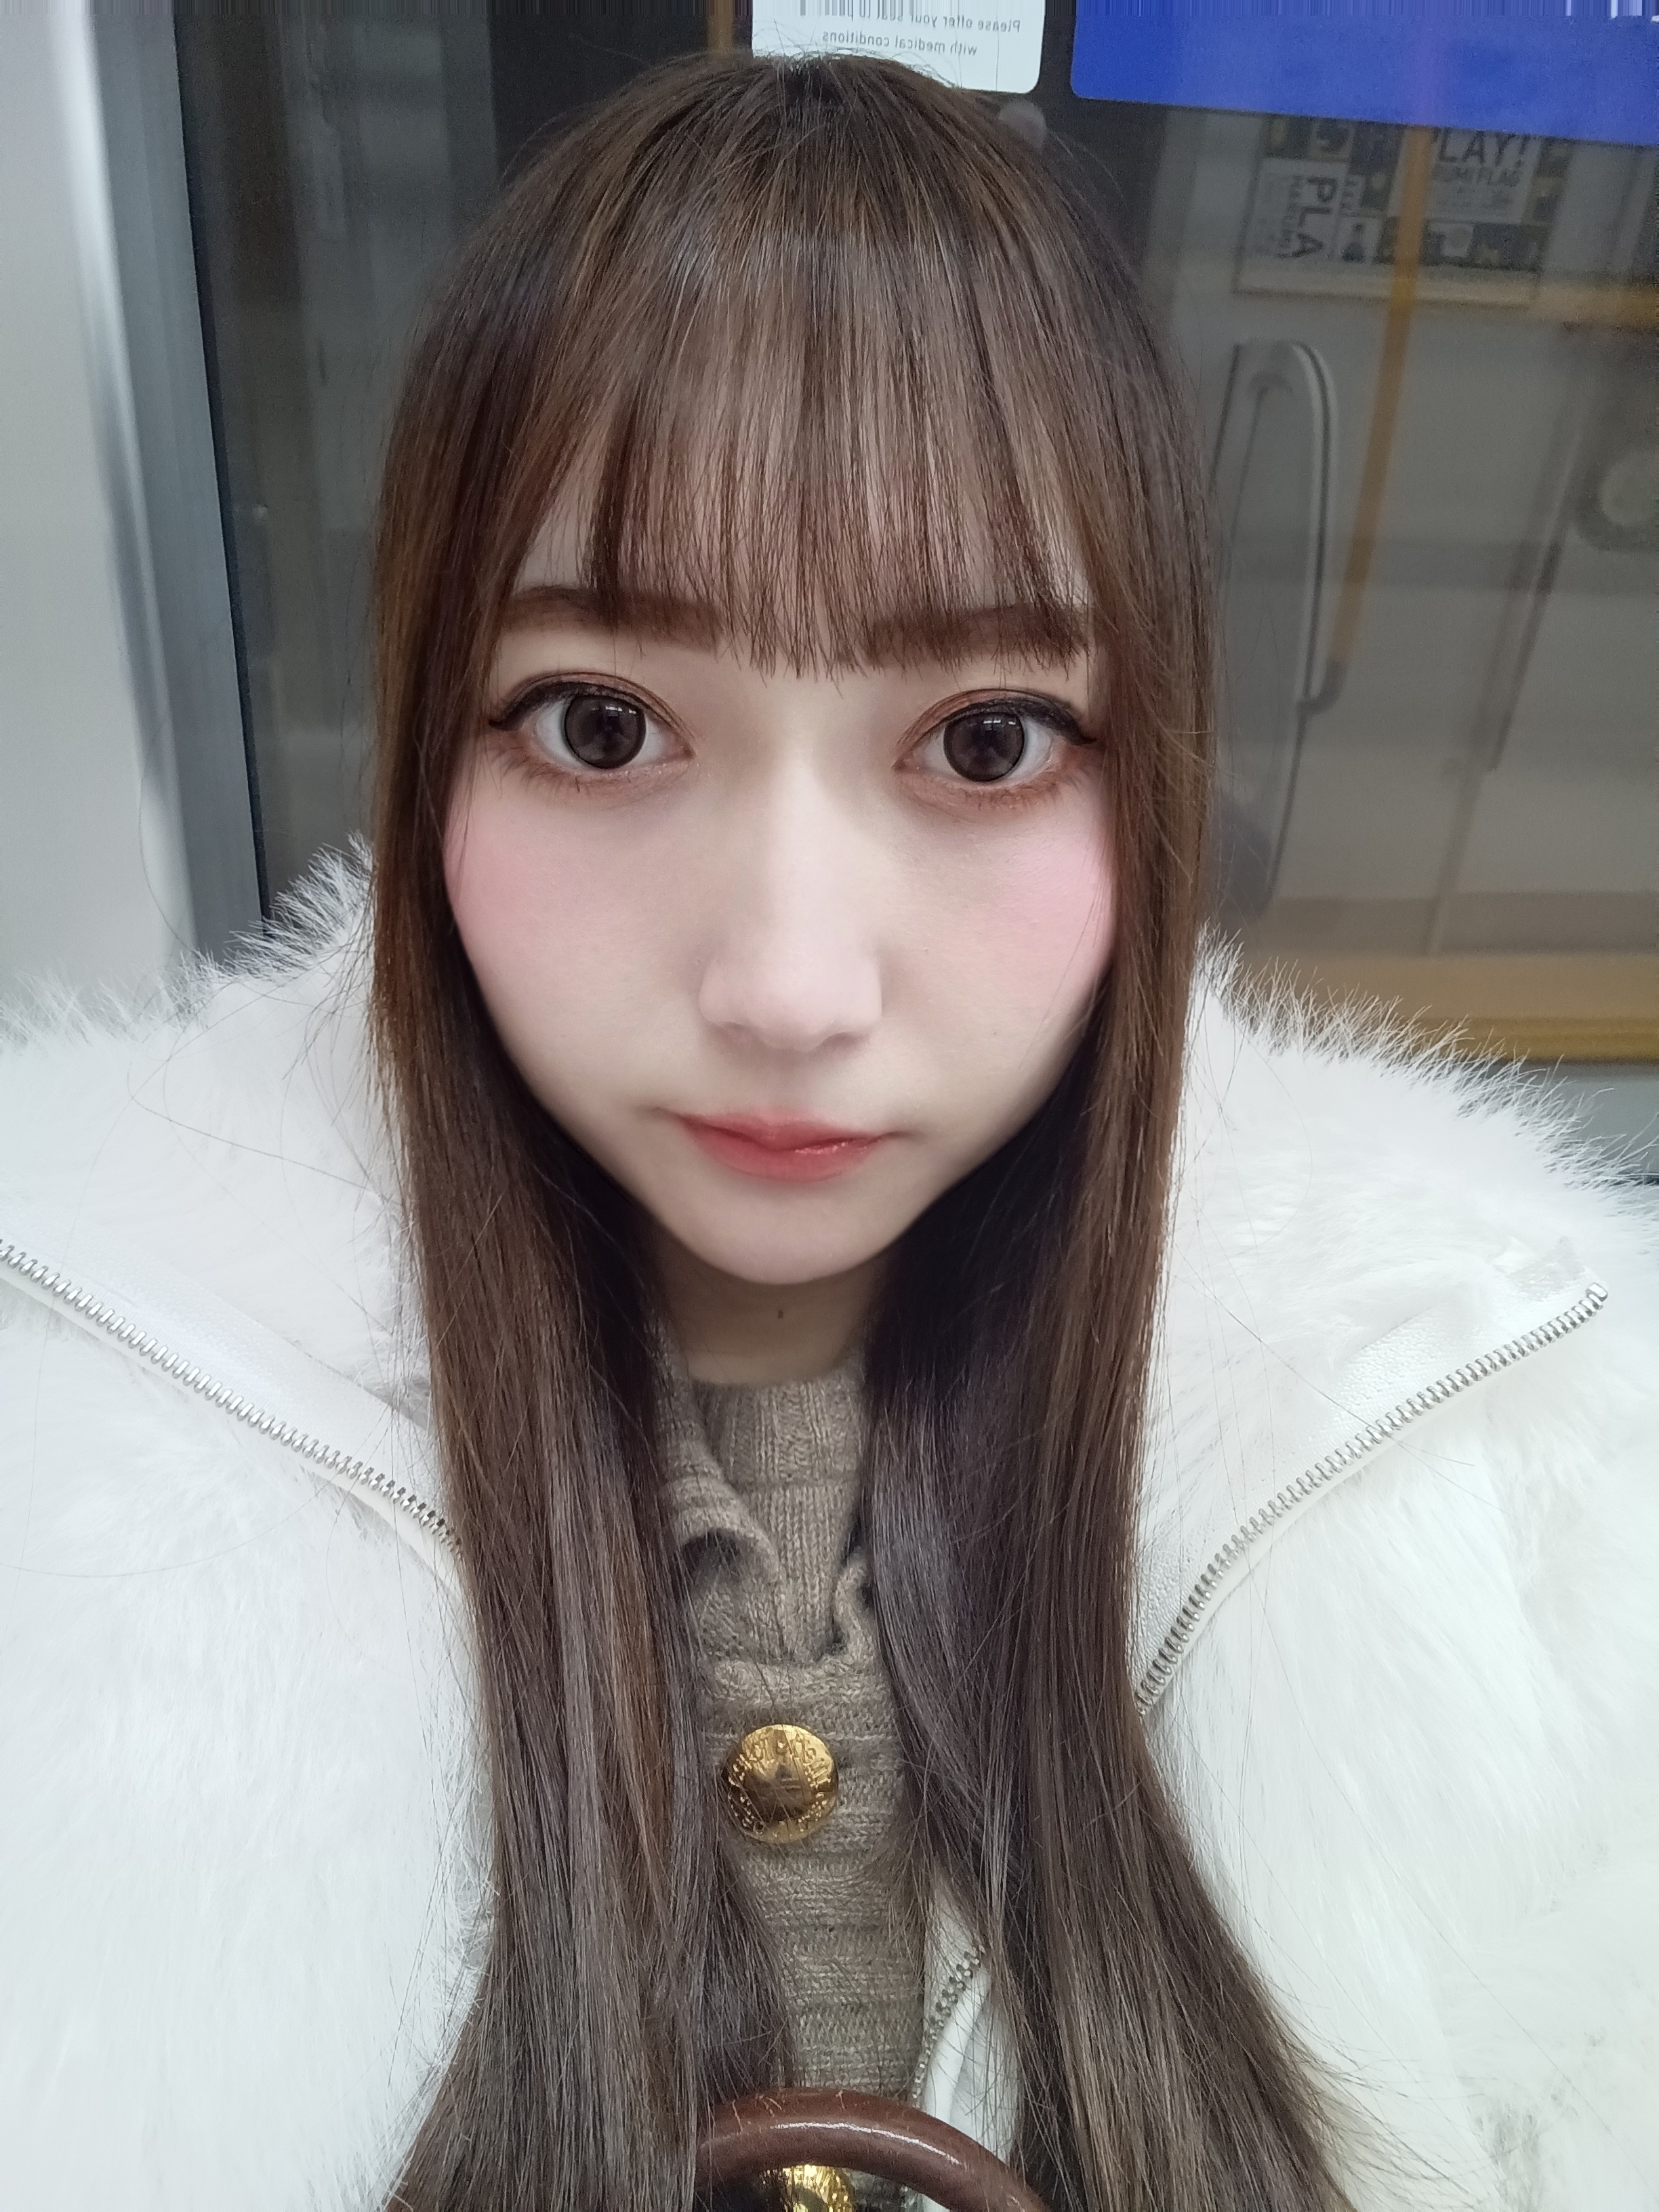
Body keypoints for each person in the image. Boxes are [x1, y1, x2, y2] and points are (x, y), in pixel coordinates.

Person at [0, 52, 1654, 2212]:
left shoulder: (1506, 1472)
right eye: (605, 726)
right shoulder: (78, 1463)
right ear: (424, 762)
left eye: (985, 742)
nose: (790, 986)